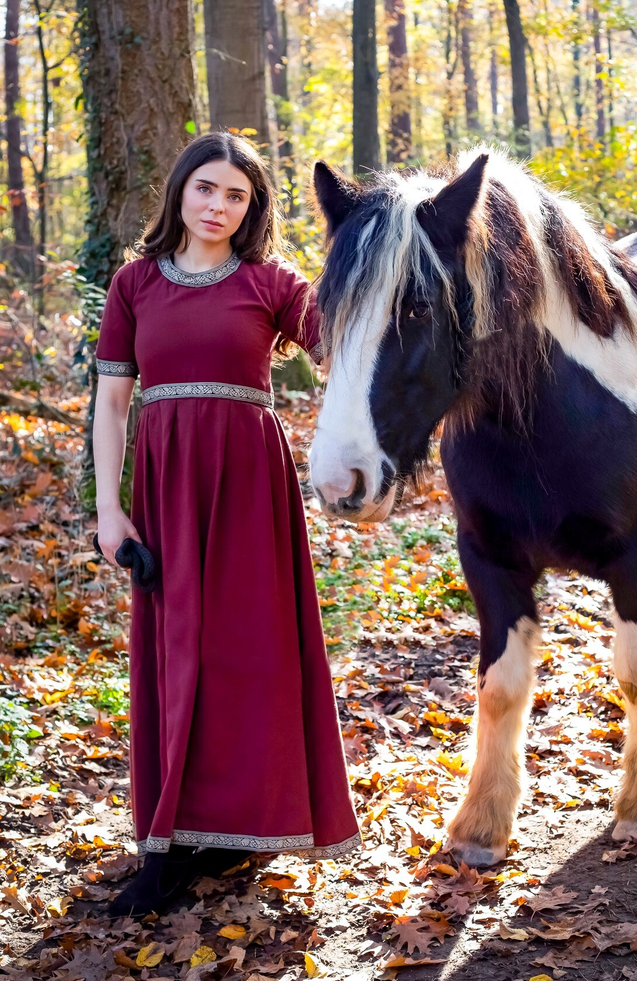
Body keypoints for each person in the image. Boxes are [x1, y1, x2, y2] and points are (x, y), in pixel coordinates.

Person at [93, 132, 361, 918]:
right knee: (175, 653)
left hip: (249, 485)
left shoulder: (273, 283)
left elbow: (354, 348)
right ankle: (166, 840)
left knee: (248, 651)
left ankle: (238, 828)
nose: (218, 206)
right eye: (206, 188)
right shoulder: (135, 283)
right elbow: (112, 405)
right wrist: (112, 511)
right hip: (167, 488)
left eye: (236, 195)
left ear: (253, 208)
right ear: (180, 190)